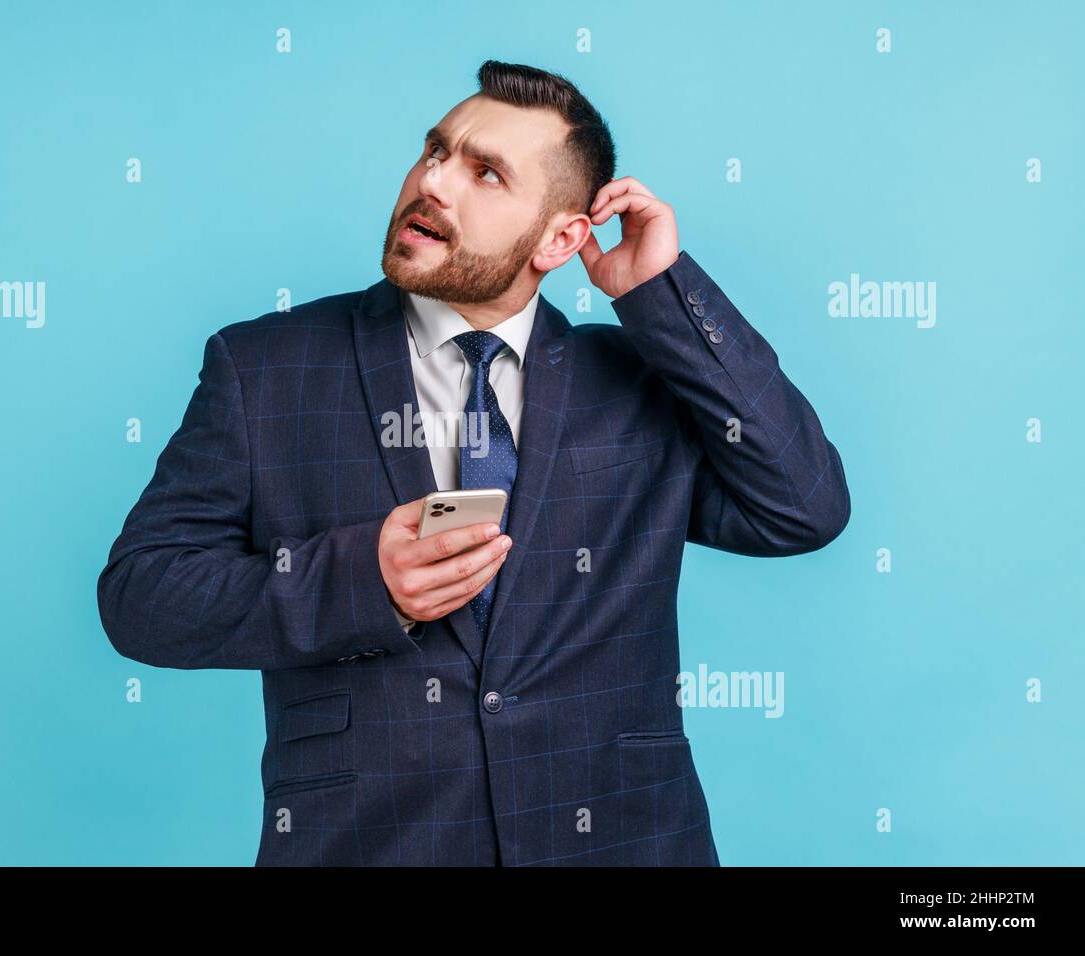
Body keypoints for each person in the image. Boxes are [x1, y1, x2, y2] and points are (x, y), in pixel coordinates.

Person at [96, 59, 851, 866]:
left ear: (562, 238)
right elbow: (141, 596)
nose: (434, 184)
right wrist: (358, 583)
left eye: (485, 173)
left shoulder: (635, 382)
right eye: (436, 151)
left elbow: (802, 506)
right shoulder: (265, 369)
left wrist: (658, 295)